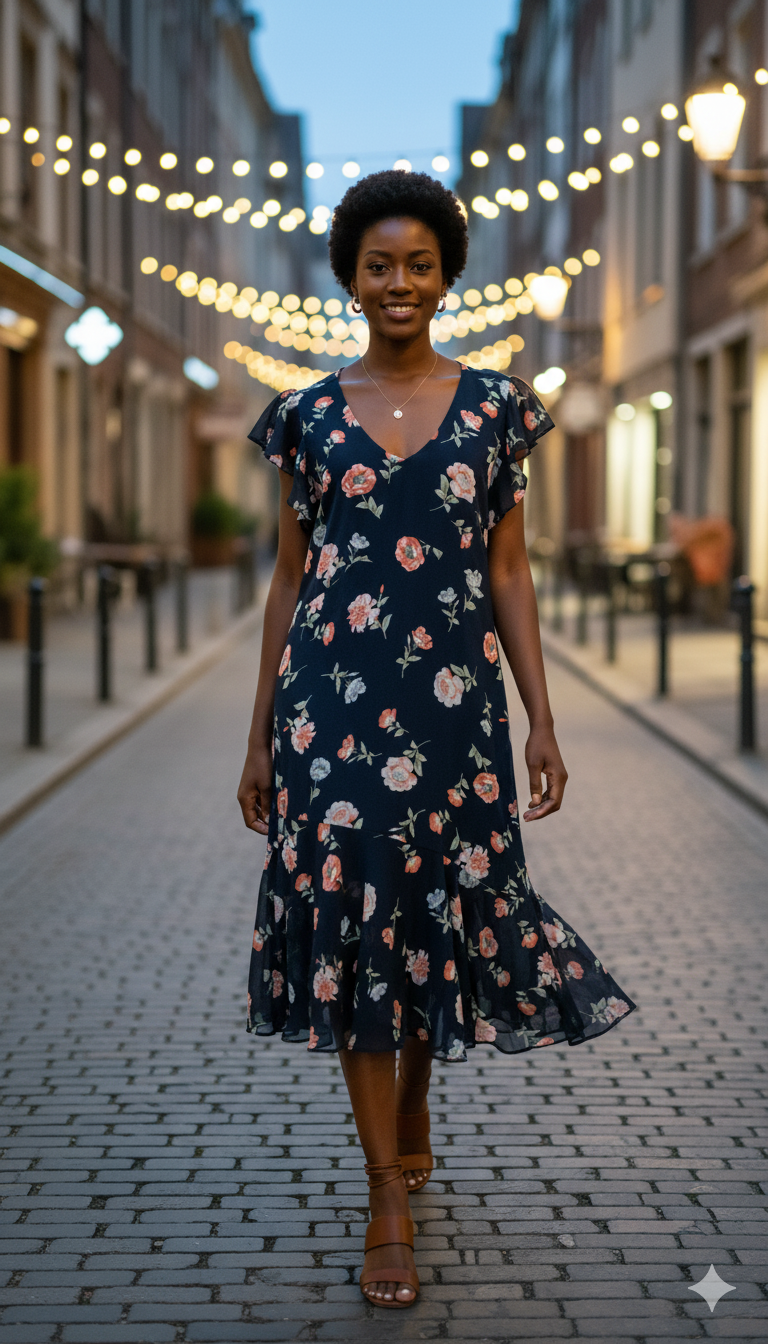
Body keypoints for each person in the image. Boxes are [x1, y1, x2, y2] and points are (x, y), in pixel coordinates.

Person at [237, 169, 635, 1308]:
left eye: (419, 263)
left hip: (454, 714)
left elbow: (508, 568)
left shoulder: (500, 409)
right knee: (360, 917)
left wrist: (541, 714)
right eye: (378, 264)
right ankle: (386, 1197)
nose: (398, 282)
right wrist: (261, 734)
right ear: (350, 279)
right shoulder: (306, 417)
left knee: (436, 911)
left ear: (447, 276)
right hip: (332, 711)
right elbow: (289, 580)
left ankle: (415, 1091)